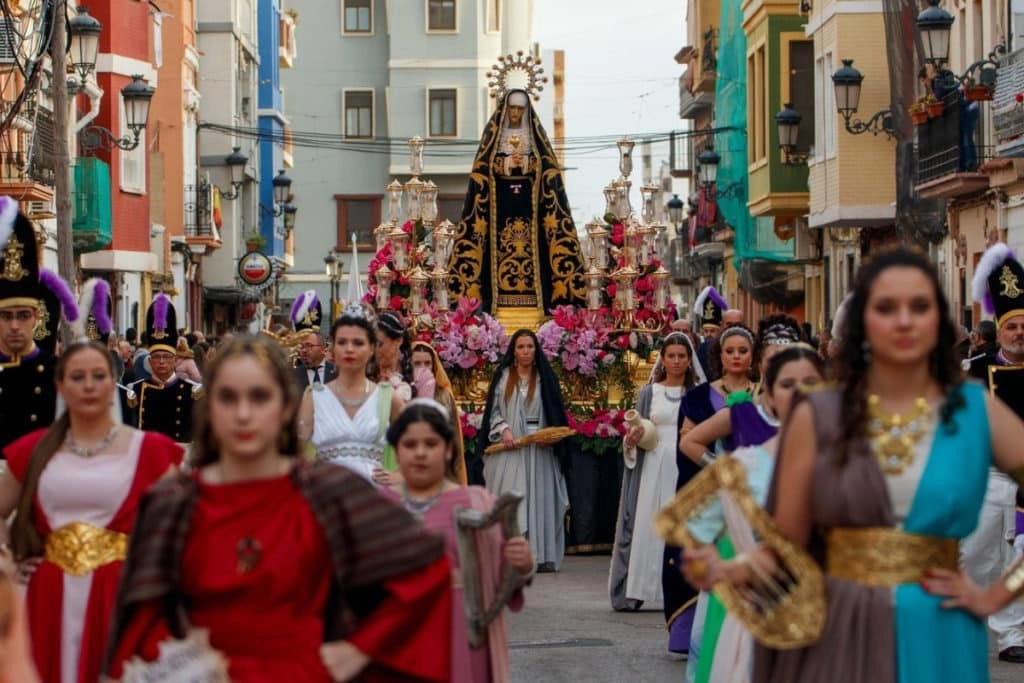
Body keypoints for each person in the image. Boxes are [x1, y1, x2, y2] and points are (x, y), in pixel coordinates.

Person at [712, 248, 1024, 682]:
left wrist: (1000, 593)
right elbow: (787, 544)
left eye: (919, 306)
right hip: (840, 624)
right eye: (885, 307)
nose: (903, 320)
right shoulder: (817, 414)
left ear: (938, 322)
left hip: (941, 632)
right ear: (862, 322)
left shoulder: (974, 410)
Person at [104, 336, 453, 682]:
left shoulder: (328, 493)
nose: (243, 413)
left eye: (259, 397)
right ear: (210, 408)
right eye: (228, 397)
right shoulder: (172, 503)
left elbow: (425, 567)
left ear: (285, 406)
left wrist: (357, 650)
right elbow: (143, 623)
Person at [0, 341, 183, 683]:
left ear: (112, 381)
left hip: (119, 591)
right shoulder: (34, 449)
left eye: (98, 376)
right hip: (47, 592)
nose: (88, 385)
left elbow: (186, 522)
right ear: (61, 385)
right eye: (77, 376)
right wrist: (8, 563)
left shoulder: (150, 451)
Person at [681, 346, 825, 682]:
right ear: (769, 380)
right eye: (787, 379)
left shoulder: (842, 440)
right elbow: (690, 442)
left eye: (810, 380)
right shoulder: (743, 414)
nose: (800, 390)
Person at [382, 399, 532, 682]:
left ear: (449, 449)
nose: (420, 453)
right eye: (410, 444)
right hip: (397, 630)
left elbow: (506, 575)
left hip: (461, 632)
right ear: (397, 450)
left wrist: (522, 563)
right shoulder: (377, 507)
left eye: (431, 443)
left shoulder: (478, 502)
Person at [450, 87, 585, 316]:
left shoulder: (535, 139)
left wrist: (526, 165)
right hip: (497, 214)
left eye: (519, 109)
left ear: (526, 111)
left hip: (533, 216)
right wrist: (504, 166)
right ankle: (493, 307)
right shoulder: (493, 139)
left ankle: (540, 307)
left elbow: (548, 174)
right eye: (511, 108)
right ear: (504, 109)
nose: (514, 113)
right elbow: (481, 174)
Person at [962, 243, 1024, 663]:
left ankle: (1011, 636)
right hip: (986, 477)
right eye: (1012, 327)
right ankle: (959, 618)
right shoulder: (974, 369)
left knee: (1018, 558)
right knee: (973, 553)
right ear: (998, 330)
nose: (1020, 333)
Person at [610, 333, 703, 612]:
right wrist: (632, 439)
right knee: (648, 523)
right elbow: (635, 430)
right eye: (671, 356)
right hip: (652, 464)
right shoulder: (649, 393)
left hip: (684, 461)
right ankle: (640, 587)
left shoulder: (697, 394)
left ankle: (681, 589)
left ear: (689, 361)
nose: (676, 361)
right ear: (662, 359)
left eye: (681, 356)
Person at [478, 329, 571, 572]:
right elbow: (495, 411)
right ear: (514, 350)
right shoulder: (504, 377)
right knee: (513, 500)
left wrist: (548, 436)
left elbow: (555, 412)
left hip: (539, 450)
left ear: (536, 349)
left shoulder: (545, 378)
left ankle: (538, 554)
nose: (526, 351)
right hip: (512, 448)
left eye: (530, 347)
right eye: (521, 347)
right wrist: (505, 430)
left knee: (538, 498)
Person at [0, 197, 79, 450]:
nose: (14, 325)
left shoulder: (59, 374)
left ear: (36, 316)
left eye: (23, 316)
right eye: (6, 316)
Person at [298, 305, 403, 483]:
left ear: (371, 348)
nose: (349, 349)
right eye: (342, 342)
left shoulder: (387, 397)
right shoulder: (314, 397)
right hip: (328, 497)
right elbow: (296, 453)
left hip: (373, 496)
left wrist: (400, 476)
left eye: (358, 343)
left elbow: (417, 443)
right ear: (332, 348)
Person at [122, 294, 203, 445]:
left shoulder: (192, 392)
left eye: (166, 357)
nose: (161, 362)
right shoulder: (135, 391)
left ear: (175, 360)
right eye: (157, 357)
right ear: (150, 361)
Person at [411, 341, 467, 485]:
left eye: (427, 363)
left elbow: (453, 436)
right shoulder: (401, 391)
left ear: (434, 366)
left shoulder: (444, 396)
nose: (423, 368)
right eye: (417, 363)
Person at [373, 311, 413, 402]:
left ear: (398, 341)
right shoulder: (366, 372)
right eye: (372, 344)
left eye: (380, 344)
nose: (374, 350)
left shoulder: (412, 372)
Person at [693, 286, 727, 382]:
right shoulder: (700, 349)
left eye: (712, 331)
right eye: (706, 331)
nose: (708, 334)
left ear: (720, 330)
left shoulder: (724, 347)